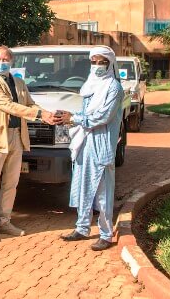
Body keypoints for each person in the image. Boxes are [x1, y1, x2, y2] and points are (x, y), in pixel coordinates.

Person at [0, 45, 57, 243]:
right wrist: (39, 114)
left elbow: (29, 104)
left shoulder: (19, 82)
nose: (2, 62)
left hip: (17, 136)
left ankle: (4, 221)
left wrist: (46, 114)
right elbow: (8, 106)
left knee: (11, 183)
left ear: (12, 61)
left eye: (5, 59)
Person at [57, 45, 124, 251]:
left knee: (102, 190)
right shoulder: (89, 85)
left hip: (101, 144)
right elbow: (85, 112)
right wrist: (69, 117)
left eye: (101, 62)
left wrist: (74, 118)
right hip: (85, 142)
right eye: (93, 62)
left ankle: (105, 234)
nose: (96, 66)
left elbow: (102, 116)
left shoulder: (113, 87)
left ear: (110, 63)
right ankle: (82, 227)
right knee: (83, 184)